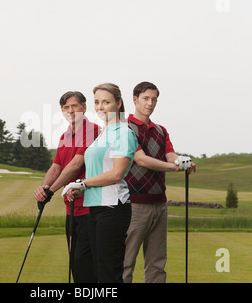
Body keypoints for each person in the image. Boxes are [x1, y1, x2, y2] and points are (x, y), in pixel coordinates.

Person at [123, 81, 196, 283]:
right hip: (134, 204)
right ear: (135, 99)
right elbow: (140, 159)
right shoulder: (124, 128)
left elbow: (169, 154)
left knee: (157, 263)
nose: (150, 103)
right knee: (126, 262)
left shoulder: (161, 130)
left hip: (159, 203)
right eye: (146, 98)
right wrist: (173, 168)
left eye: (154, 99)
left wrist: (181, 161)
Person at [65, 83, 138, 283]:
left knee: (109, 274)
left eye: (106, 102)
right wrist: (81, 189)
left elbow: (116, 174)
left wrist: (82, 183)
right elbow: (100, 171)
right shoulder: (102, 134)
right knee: (96, 271)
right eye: (97, 102)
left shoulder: (125, 133)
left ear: (119, 103)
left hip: (113, 207)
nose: (100, 107)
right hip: (94, 207)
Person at [34, 91, 100, 283]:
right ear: (62, 111)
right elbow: (57, 167)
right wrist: (43, 187)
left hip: (90, 209)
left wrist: (51, 190)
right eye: (66, 107)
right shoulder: (64, 136)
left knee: (84, 265)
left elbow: (76, 164)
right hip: (71, 210)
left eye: (74, 106)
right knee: (76, 266)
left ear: (84, 107)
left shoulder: (92, 131)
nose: (70, 111)